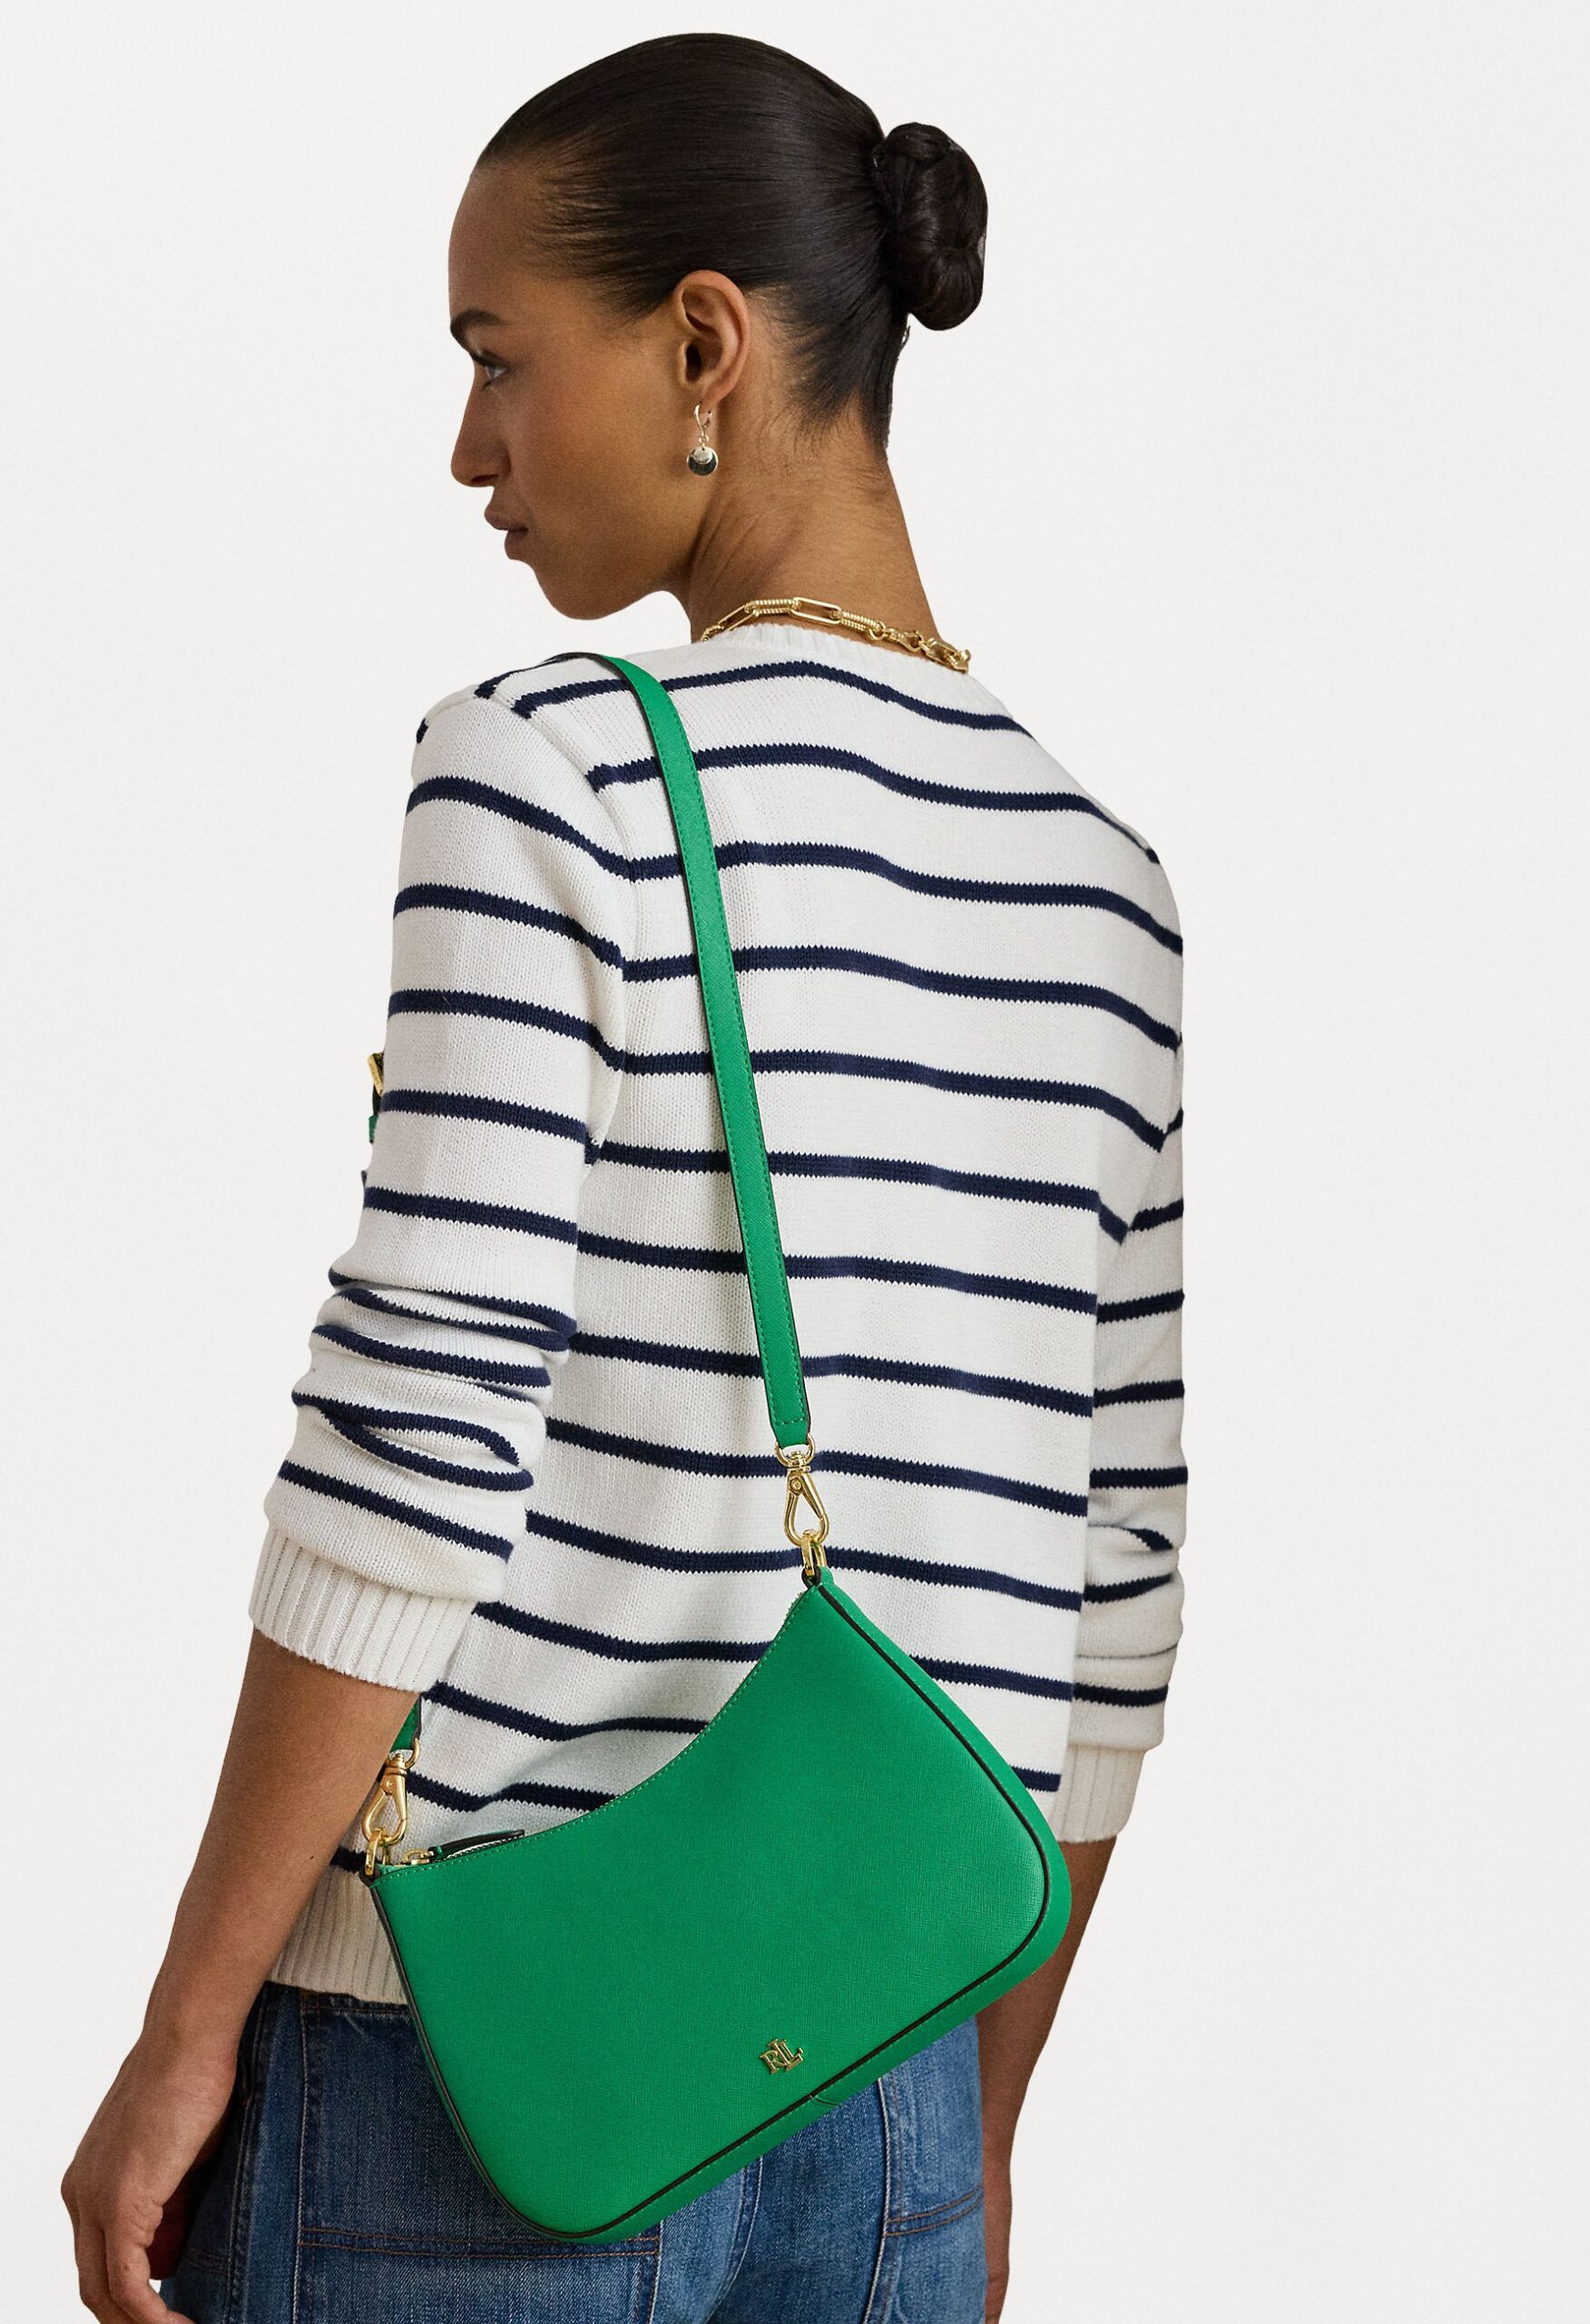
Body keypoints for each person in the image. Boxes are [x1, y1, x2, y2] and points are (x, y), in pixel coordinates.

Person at [62, 32, 1186, 2324]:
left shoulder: (555, 765)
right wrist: (975, 2128)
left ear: (701, 344)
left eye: (497, 357)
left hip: (484, 2075)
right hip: (889, 2093)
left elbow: (414, 1442)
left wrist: (188, 2024)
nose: (466, 446)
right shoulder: (1104, 882)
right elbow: (1117, 1587)